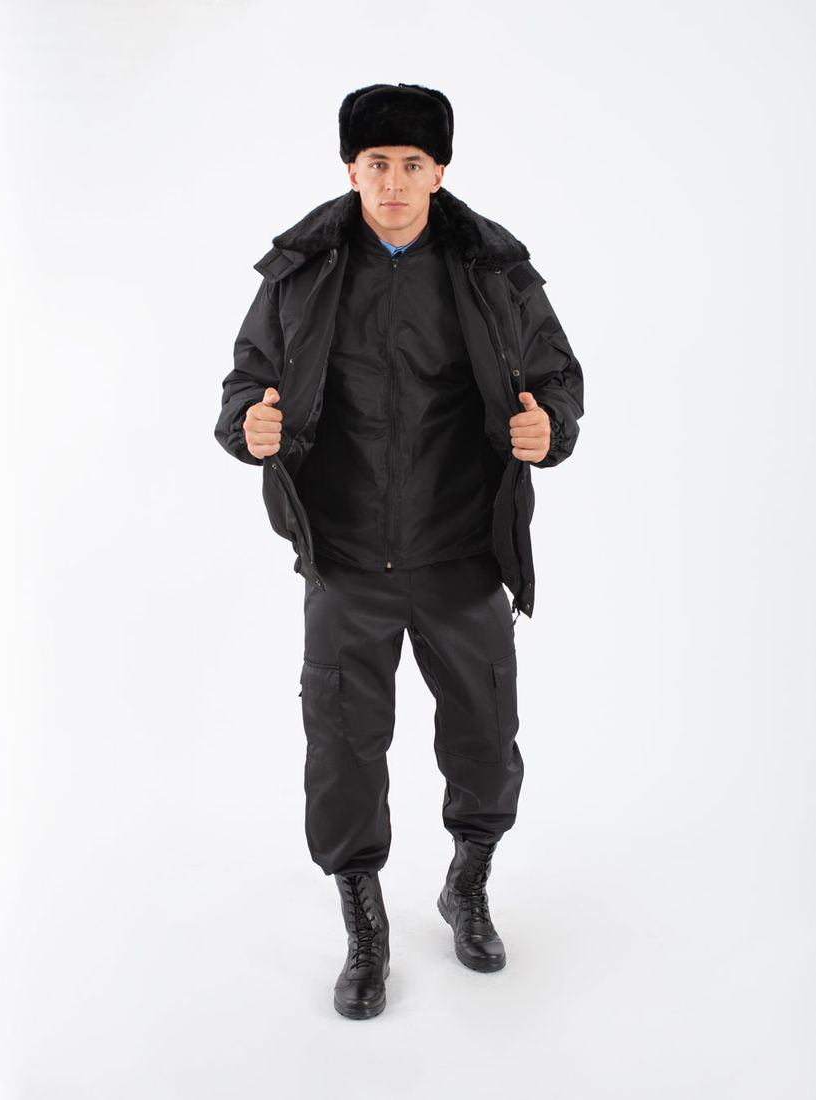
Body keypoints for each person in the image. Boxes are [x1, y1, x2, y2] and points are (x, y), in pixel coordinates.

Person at [214, 82, 585, 1020]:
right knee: (343, 752)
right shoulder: (299, 270)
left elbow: (555, 376)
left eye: (410, 165)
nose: (391, 183)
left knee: (485, 743)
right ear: (350, 169)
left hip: (462, 552)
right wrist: (248, 424)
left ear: (438, 171)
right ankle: (364, 924)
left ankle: (467, 883)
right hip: (343, 558)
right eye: (375, 164)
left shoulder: (492, 269)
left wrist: (551, 426)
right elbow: (245, 380)